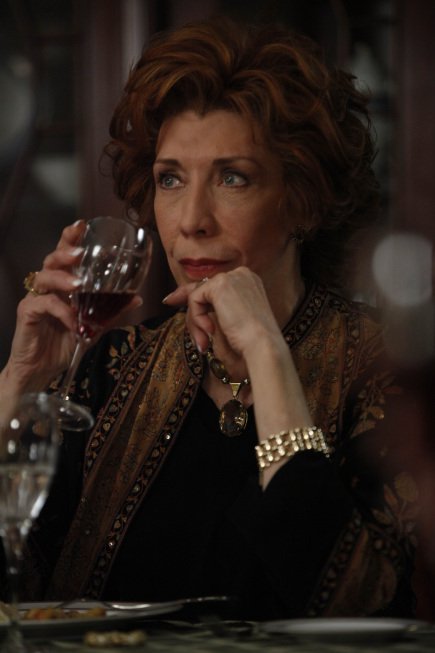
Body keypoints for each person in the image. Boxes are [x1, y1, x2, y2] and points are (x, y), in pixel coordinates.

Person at [0, 17, 418, 619]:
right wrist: (18, 385)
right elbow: (19, 587)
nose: (192, 219)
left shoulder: (385, 369)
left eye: (232, 177)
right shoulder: (111, 368)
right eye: (171, 179)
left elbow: (370, 609)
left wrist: (268, 358)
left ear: (302, 201)